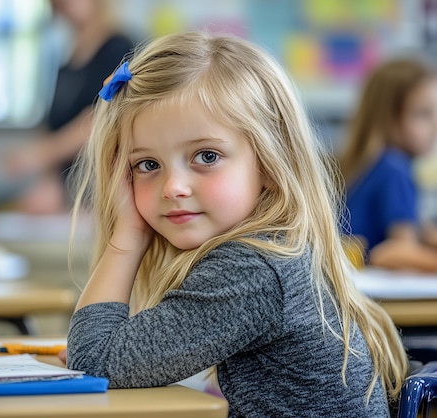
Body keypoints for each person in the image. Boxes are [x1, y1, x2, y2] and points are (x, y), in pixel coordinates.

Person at [65, 32, 407, 417]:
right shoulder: (278, 249)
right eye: (147, 165)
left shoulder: (252, 268)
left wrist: (125, 238)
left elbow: (94, 361)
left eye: (206, 156)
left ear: (270, 161)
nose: (173, 187)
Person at [8, 0, 133, 214]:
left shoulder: (119, 50)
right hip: (67, 189)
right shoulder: (65, 62)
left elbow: (103, 118)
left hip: (100, 189)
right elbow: (53, 127)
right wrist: (49, 180)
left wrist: (39, 156)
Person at [338, 58, 437, 271]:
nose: (435, 125)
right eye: (423, 114)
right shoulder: (394, 168)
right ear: (389, 118)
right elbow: (393, 252)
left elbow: (422, 232)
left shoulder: (374, 164)